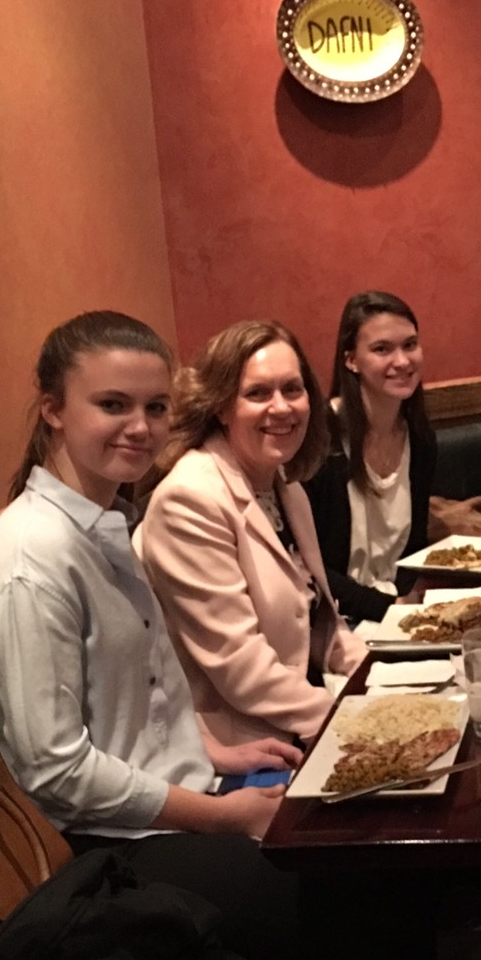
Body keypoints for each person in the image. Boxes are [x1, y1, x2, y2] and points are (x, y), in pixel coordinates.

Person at [0, 310, 298, 960]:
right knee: (313, 892)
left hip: (172, 806)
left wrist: (214, 750)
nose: (140, 427)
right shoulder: (30, 562)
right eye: (113, 405)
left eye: (156, 406)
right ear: (53, 409)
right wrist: (220, 818)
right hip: (103, 848)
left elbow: (134, 691)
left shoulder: (107, 521)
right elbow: (56, 774)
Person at [140, 319, 367, 750]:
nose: (281, 407)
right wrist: (352, 720)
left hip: (298, 722)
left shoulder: (286, 488)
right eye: (258, 393)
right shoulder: (189, 499)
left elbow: (321, 626)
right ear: (222, 406)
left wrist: (382, 682)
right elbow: (240, 666)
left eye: (292, 389)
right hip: (239, 747)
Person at [304, 291, 448, 622]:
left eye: (410, 345)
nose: (402, 361)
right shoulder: (320, 440)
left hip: (398, 613)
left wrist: (410, 604)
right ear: (351, 360)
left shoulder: (421, 439)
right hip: (332, 623)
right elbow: (308, 567)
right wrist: (387, 610)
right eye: (382, 349)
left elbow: (414, 551)